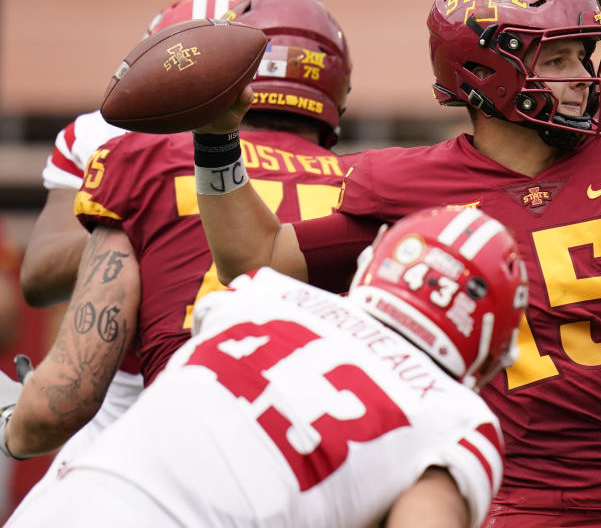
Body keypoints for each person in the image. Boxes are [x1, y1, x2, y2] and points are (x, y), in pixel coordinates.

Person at [191, 0, 601, 527]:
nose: (583, 81)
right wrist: (217, 141)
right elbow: (257, 261)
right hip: (517, 500)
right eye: (559, 60)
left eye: (584, 58)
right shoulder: (406, 183)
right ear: (486, 70)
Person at [4, 206, 528, 527]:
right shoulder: (458, 417)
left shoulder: (260, 295)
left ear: (377, 264)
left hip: (68, 500)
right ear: (492, 346)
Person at [0, 0, 353, 462]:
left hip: (175, 428)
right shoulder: (371, 181)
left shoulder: (140, 159)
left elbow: (62, 401)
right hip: (315, 442)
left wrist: (150, 226)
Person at [10, 0, 237, 494]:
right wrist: (152, 221)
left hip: (235, 378)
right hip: (123, 382)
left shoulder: (275, 146)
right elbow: (41, 272)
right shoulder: (100, 136)